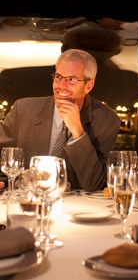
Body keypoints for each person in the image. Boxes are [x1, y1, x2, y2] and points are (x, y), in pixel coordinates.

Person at [0, 49, 121, 192]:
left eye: (71, 79)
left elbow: (94, 183)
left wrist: (78, 132)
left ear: (88, 86)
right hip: (26, 199)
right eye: (58, 76)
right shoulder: (23, 108)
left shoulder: (107, 120)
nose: (61, 85)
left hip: (74, 207)